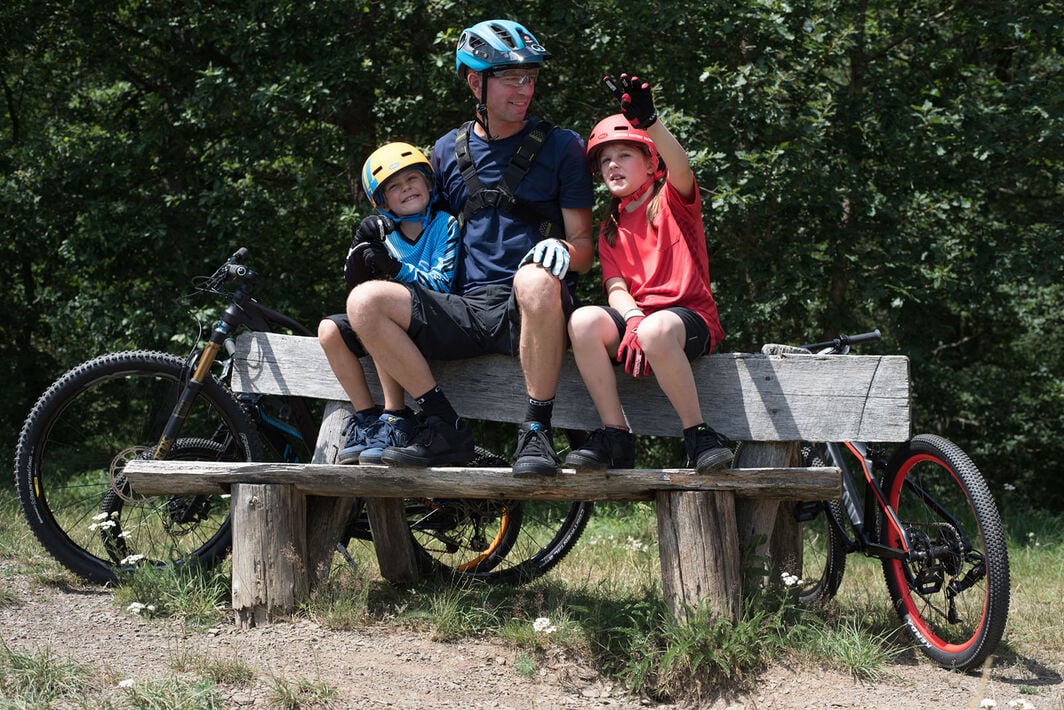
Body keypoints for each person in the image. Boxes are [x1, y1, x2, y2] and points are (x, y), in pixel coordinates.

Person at [345, 19, 594, 475]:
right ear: (475, 81)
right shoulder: (445, 150)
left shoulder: (562, 147)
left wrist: (562, 248)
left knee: (536, 280)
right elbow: (422, 228)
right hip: (464, 306)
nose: (525, 89)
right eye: (512, 78)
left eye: (531, 77)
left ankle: (536, 433)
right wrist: (381, 232)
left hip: (531, 307)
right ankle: (444, 427)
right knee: (365, 301)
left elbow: (584, 247)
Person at [563, 73, 732, 474]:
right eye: (604, 160)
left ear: (649, 161)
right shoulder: (609, 227)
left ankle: (699, 435)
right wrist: (633, 318)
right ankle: (615, 435)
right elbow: (616, 286)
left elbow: (681, 164)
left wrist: (649, 121)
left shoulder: (672, 202)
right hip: (642, 324)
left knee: (657, 329)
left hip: (687, 321)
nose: (612, 165)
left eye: (624, 155)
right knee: (583, 320)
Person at [318, 142, 460, 465]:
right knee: (329, 329)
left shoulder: (444, 225)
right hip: (387, 323)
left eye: (412, 179)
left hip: (428, 318)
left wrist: (396, 268)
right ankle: (369, 420)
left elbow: (442, 284)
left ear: (428, 182)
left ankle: (396, 416)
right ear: (382, 202)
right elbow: (355, 289)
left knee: (376, 316)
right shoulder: (383, 234)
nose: (406, 188)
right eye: (394, 187)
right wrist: (359, 248)